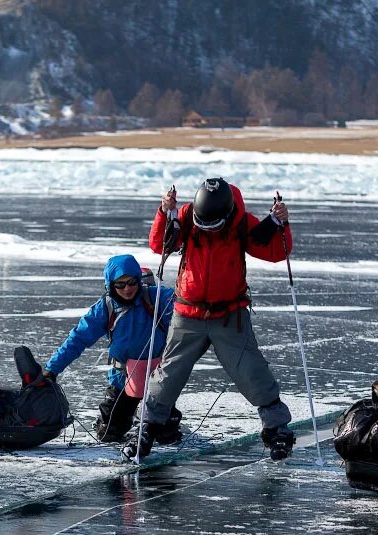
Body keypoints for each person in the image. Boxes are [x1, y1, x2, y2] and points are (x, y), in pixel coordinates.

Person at [123, 177, 297, 461]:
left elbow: (277, 252)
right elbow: (159, 245)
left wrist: (281, 224)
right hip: (188, 314)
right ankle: (144, 429)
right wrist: (163, 211)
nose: (208, 229)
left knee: (251, 372)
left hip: (229, 316)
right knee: (167, 376)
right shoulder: (185, 218)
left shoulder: (242, 222)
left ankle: (277, 429)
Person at [44, 254, 181, 443]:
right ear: (111, 285)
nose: (128, 289)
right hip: (123, 379)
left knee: (166, 436)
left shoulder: (157, 298)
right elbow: (78, 339)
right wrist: (52, 369)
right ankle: (115, 422)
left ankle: (167, 425)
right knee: (109, 434)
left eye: (132, 282)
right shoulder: (105, 308)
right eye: (120, 285)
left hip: (157, 378)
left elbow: (185, 306)